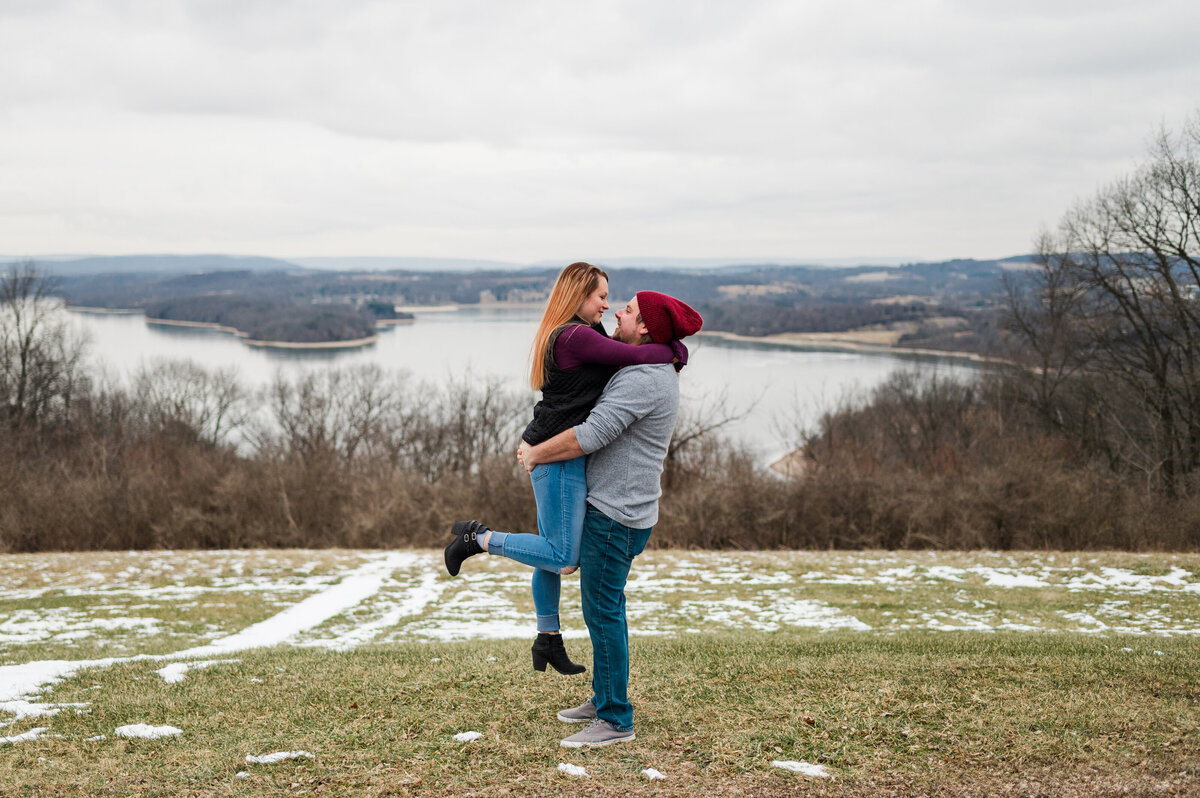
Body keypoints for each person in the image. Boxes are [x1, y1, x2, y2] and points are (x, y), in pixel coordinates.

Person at [442, 262, 686, 677]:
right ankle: (477, 538)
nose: (608, 307)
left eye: (613, 300)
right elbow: (637, 353)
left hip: (559, 455)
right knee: (562, 556)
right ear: (578, 296)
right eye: (602, 297)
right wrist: (674, 351)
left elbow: (626, 357)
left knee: (549, 550)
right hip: (555, 457)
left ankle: (547, 638)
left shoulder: (584, 333)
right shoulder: (573, 336)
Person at [518, 290, 702, 748]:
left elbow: (591, 434)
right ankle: (604, 699)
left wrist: (535, 452)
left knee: (603, 615)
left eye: (629, 310)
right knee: (605, 610)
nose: (618, 310)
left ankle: (616, 719)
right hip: (621, 509)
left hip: (615, 515)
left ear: (644, 329)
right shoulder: (642, 367)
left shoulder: (644, 378)